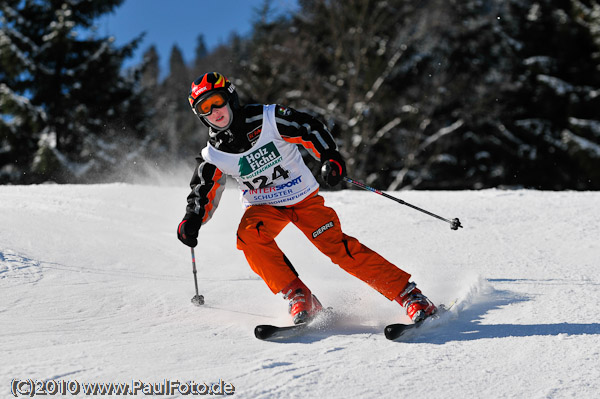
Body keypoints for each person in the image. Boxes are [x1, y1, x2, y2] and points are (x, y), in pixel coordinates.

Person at [177, 72, 436, 325]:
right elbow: (202, 188)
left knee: (337, 247)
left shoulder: (268, 118)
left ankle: (409, 295)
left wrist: (330, 157)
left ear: (230, 98)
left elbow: (308, 128)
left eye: (217, 102)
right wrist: (193, 218)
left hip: (301, 196)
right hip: (263, 206)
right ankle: (299, 296)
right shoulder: (214, 154)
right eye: (205, 108)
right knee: (249, 236)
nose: (214, 112)